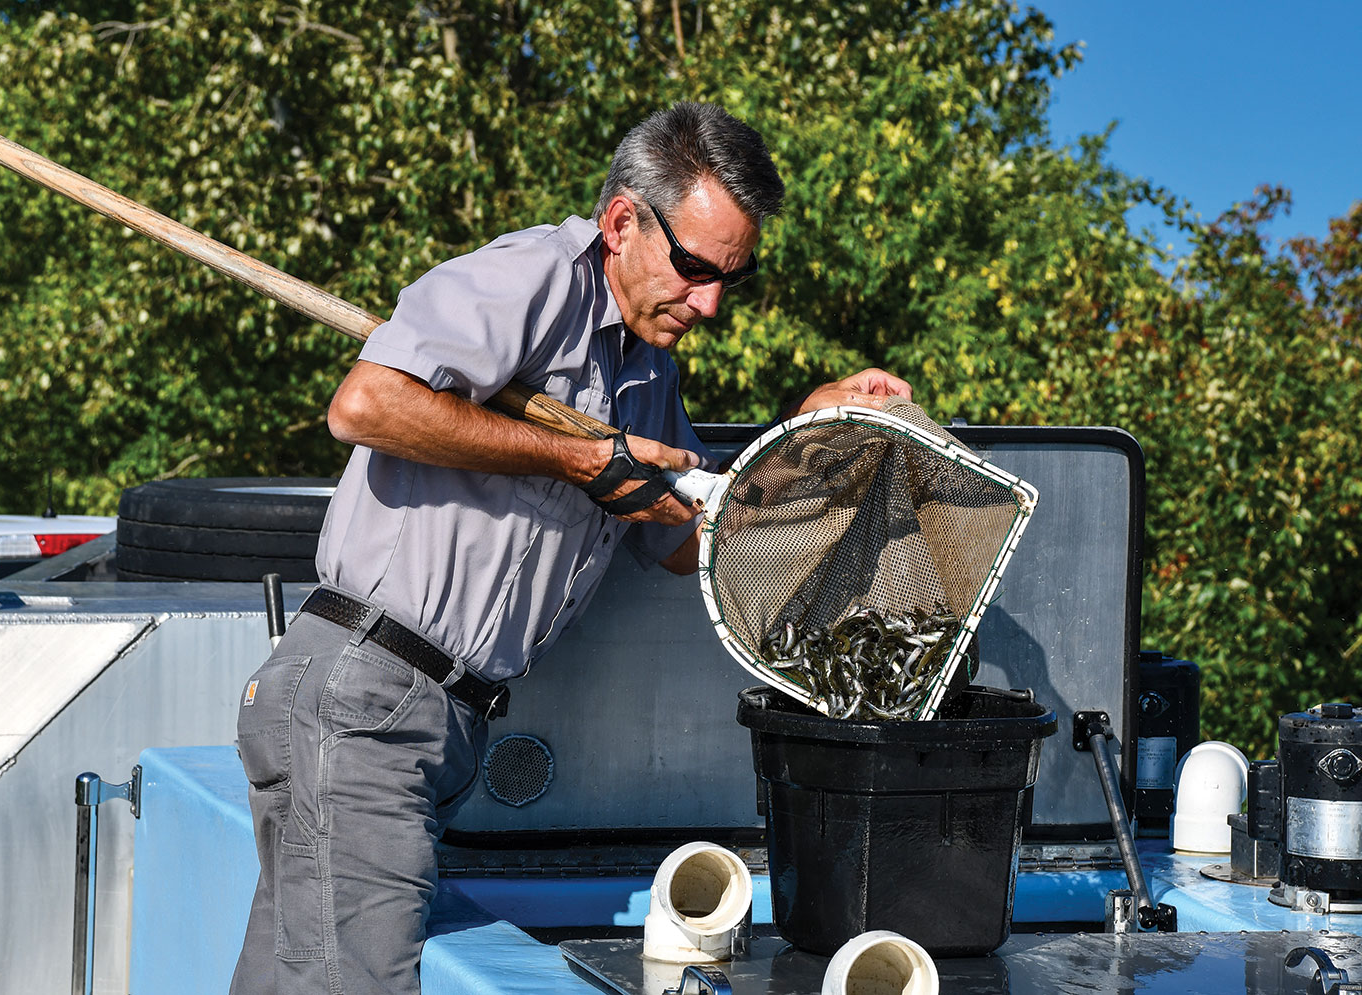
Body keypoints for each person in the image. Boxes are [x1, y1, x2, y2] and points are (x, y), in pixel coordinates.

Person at [229, 101, 912, 994]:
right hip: (368, 691)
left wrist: (805, 428)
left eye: (729, 281)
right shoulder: (533, 278)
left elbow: (683, 539)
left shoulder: (650, 369)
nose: (708, 302)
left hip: (433, 722)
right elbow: (365, 406)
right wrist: (584, 459)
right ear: (624, 220)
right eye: (697, 267)